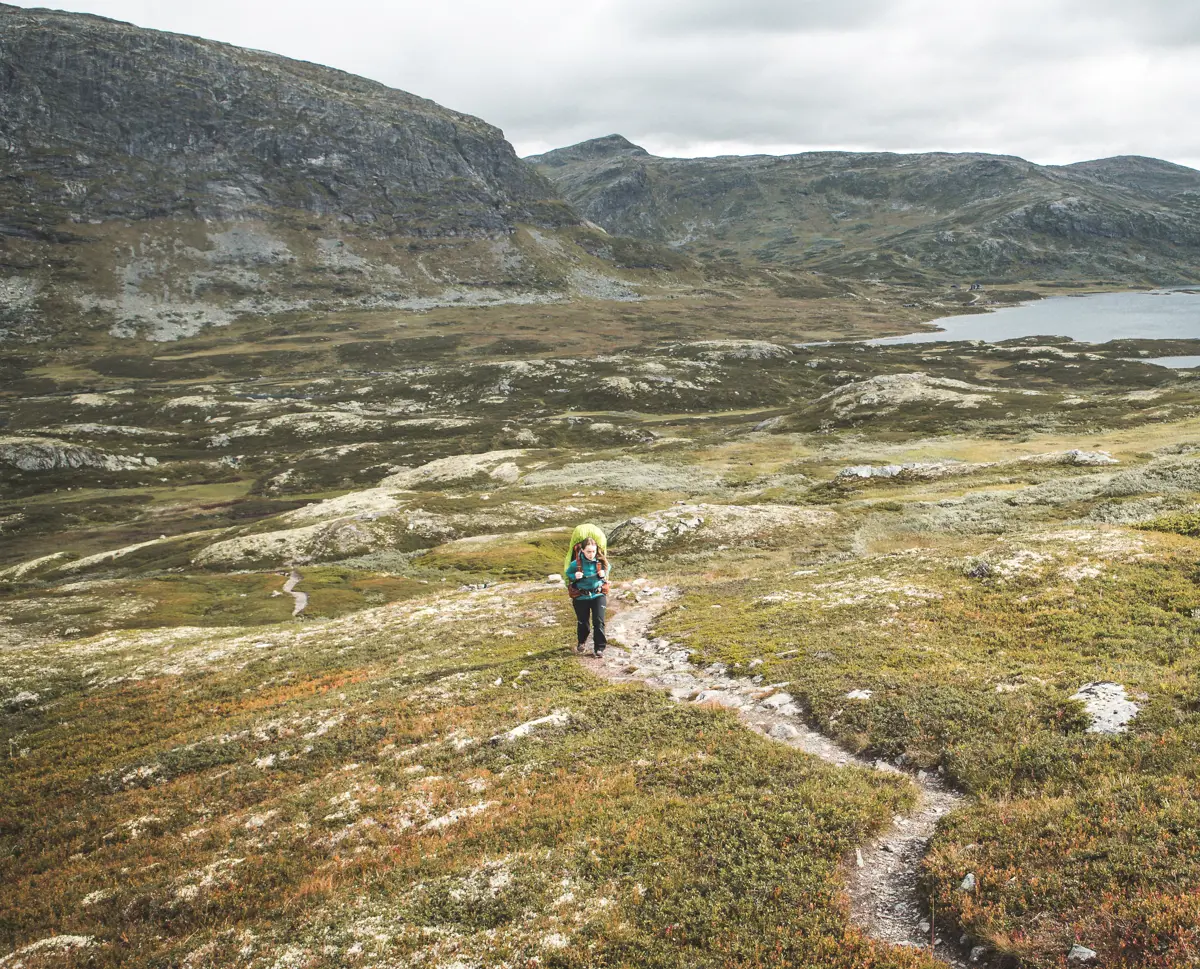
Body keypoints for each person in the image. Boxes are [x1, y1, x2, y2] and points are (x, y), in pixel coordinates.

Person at [565, 536, 609, 657]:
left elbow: (607, 570)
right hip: (581, 597)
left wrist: (603, 574)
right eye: (588, 551)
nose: (591, 554)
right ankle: (581, 642)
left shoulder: (601, 561)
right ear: (582, 550)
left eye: (593, 551)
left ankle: (599, 648)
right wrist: (575, 576)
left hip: (598, 594)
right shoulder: (575, 564)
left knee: (599, 621)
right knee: (583, 622)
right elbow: (568, 574)